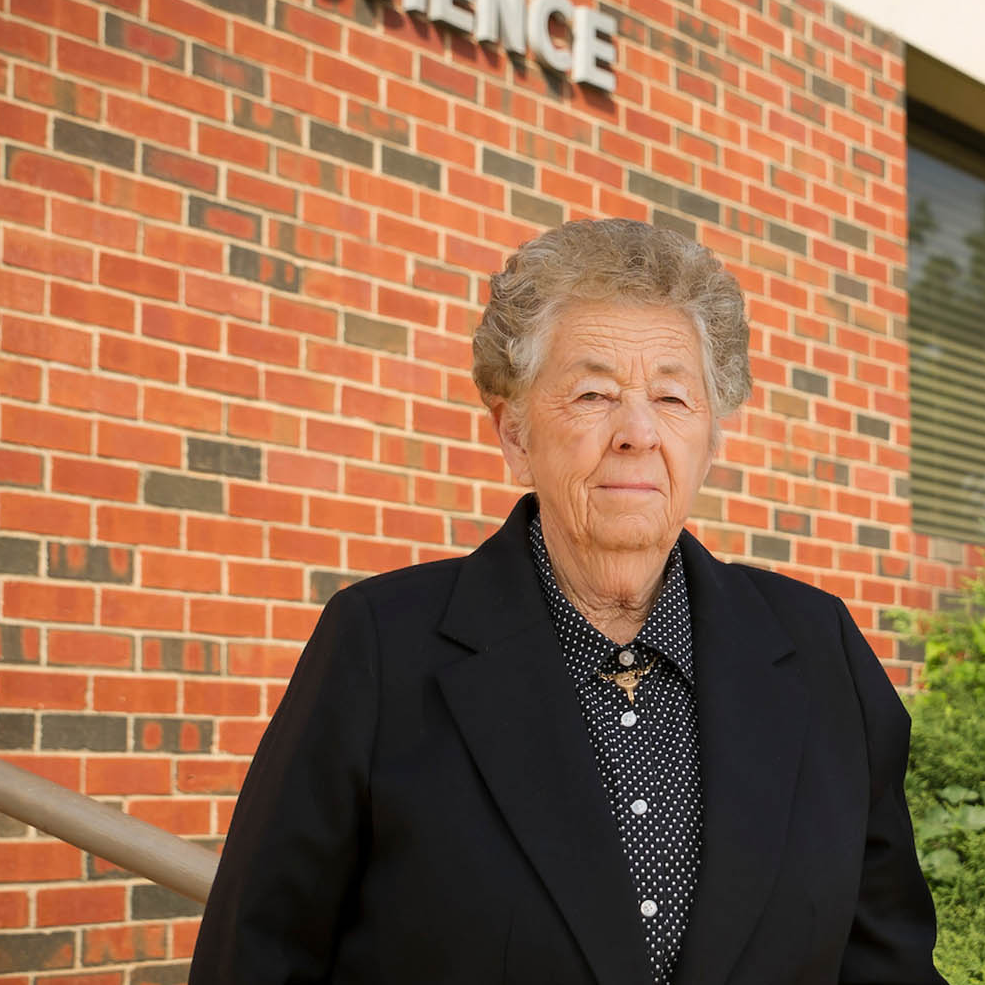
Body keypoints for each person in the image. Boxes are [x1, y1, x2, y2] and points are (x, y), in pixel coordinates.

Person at [189, 218, 944, 985]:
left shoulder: (820, 649)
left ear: (712, 437)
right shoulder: (380, 647)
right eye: (593, 394)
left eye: (674, 398)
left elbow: (889, 962)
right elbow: (257, 957)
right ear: (514, 433)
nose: (638, 433)